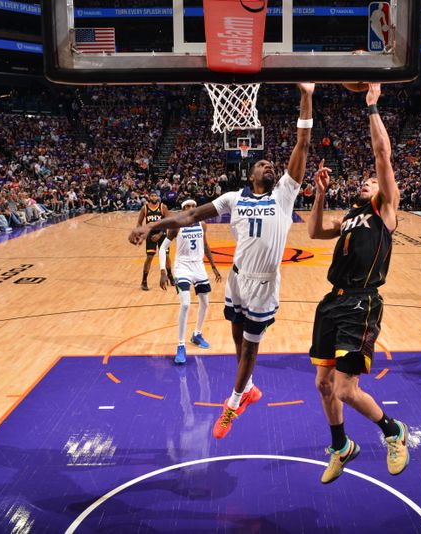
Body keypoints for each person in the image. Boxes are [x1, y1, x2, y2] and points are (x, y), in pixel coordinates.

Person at [130, 83, 315, 439]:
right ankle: (248, 388)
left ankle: (232, 404)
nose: (268, 164)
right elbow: (189, 217)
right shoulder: (233, 198)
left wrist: (306, 95)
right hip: (236, 278)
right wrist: (152, 225)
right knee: (235, 336)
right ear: (250, 175)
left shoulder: (285, 194)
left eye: (270, 163)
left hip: (263, 282)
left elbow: (303, 144)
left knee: (249, 345)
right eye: (262, 163)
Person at [306, 84, 409, 484]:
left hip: (362, 303)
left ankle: (393, 432)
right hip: (332, 302)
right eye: (364, 182)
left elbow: (382, 154)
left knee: (347, 389)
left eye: (371, 181)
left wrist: (372, 108)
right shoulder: (350, 216)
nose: (367, 182)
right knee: (323, 384)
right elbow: (314, 232)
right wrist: (319, 195)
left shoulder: (385, 211)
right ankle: (341, 445)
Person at [158, 199, 223, 365]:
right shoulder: (176, 225)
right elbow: (163, 248)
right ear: (183, 209)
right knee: (185, 304)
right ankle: (180, 345)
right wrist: (163, 271)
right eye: (187, 206)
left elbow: (206, 245)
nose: (191, 208)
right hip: (182, 267)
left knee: (205, 302)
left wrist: (214, 266)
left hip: (199, 267)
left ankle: (197, 334)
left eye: (193, 206)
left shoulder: (202, 224)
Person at [136, 191, 173, 291]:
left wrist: (160, 234)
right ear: (149, 197)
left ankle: (170, 275)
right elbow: (139, 223)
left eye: (155, 195)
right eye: (152, 195)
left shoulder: (162, 207)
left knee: (167, 255)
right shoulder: (145, 208)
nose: (153, 197)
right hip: (150, 234)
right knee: (149, 257)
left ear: (158, 197)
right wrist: (141, 234)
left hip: (162, 233)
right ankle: (144, 281)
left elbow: (168, 222)